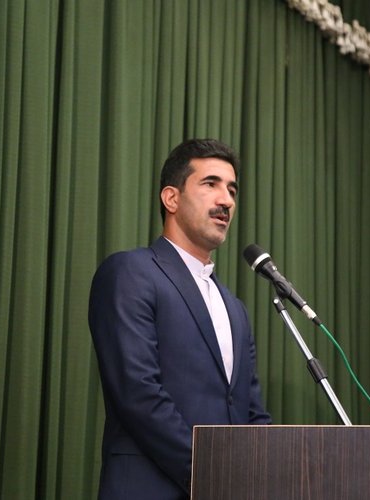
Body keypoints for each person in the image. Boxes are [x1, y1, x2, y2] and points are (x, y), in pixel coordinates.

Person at [88, 139, 272, 499]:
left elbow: (251, 412)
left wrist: (267, 474)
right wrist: (214, 477)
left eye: (232, 190)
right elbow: (138, 393)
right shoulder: (131, 272)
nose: (226, 200)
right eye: (211, 184)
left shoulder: (235, 308)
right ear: (171, 199)